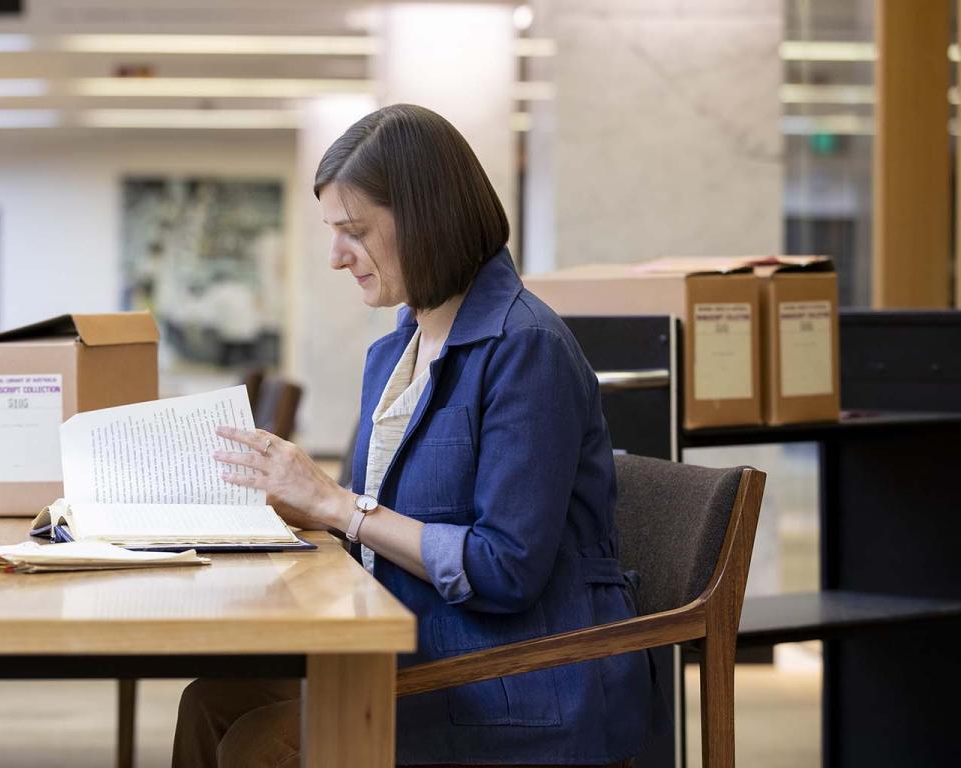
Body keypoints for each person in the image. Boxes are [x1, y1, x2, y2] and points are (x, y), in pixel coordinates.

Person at [172, 103, 656, 768]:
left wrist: (339, 506)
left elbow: (506, 568)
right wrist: (299, 506)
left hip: (511, 678)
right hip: (421, 641)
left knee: (260, 743)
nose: (337, 257)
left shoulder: (526, 348)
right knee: (210, 701)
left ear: (426, 220)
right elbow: (393, 515)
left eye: (355, 231)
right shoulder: (399, 346)